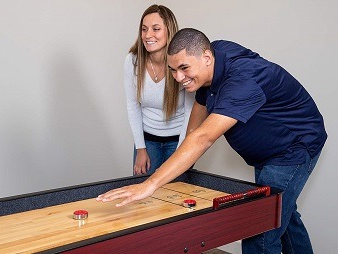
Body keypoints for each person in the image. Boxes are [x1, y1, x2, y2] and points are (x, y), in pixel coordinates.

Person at [97, 28, 327, 253]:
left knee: (259, 227)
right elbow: (196, 124)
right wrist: (180, 173)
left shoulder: (242, 82)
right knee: (281, 214)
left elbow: (203, 137)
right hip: (269, 150)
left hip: (294, 148)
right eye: (173, 69)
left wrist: (150, 184)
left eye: (184, 68)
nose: (178, 78)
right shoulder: (215, 57)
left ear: (206, 57)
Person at [124, 5, 194, 175]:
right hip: (147, 142)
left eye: (156, 29)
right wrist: (140, 148)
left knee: (175, 195)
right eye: (144, 29)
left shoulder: (182, 63)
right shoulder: (132, 61)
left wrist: (181, 151)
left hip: (179, 140)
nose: (148, 35)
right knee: (143, 195)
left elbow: (190, 111)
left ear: (169, 31)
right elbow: (133, 106)